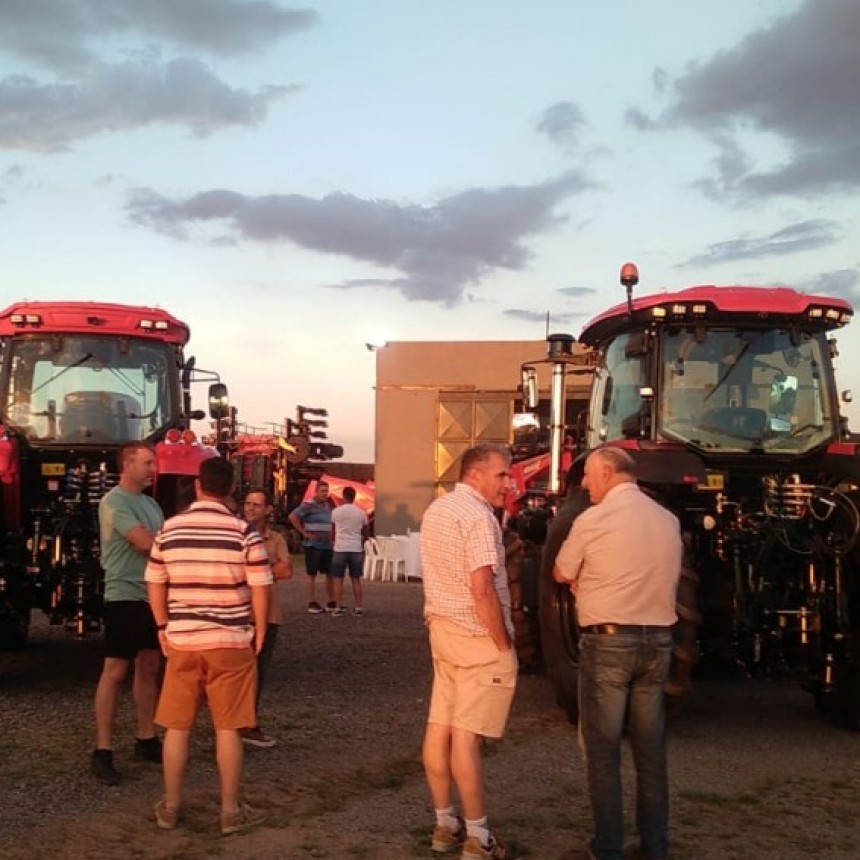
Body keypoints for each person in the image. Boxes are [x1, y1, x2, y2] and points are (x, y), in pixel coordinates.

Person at [553, 447, 682, 860]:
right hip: (658, 641)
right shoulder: (667, 519)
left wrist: (585, 580)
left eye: (589, 475)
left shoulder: (592, 519)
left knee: (603, 750)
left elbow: (561, 572)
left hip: (608, 642)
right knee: (650, 749)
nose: (585, 483)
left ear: (608, 473)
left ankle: (608, 846)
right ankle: (655, 845)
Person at [145, 457, 272, 836]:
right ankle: (231, 811)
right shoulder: (243, 531)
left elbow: (155, 581)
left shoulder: (169, 529)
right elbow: (261, 586)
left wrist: (162, 626)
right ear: (231, 489)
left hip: (183, 639)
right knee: (229, 728)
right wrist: (259, 630)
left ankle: (170, 806)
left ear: (198, 486)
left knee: (177, 728)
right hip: (231, 639)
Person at [420, 443, 517, 860]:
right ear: (475, 474)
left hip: (442, 630)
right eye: (502, 475)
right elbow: (482, 589)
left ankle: (444, 825)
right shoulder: (480, 518)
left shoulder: (436, 510)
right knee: (466, 737)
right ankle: (479, 837)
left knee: (439, 726)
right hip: (477, 637)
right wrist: (504, 644)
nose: (508, 483)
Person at [91, 441, 165, 785]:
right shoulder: (114, 501)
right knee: (116, 669)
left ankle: (146, 738)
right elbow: (144, 542)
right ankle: (102, 750)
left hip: (152, 594)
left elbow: (159, 541)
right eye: (148, 462)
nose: (153, 469)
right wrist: (157, 539)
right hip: (123, 594)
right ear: (128, 463)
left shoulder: (151, 504)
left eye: (154, 463)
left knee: (149, 666)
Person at [240, 488, 293, 748]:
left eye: (257, 505)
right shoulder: (234, 533)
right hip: (238, 613)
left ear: (268, 509)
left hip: (268, 614)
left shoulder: (276, 538)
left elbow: (286, 570)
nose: (251, 509)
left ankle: (249, 722)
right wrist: (267, 566)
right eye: (248, 504)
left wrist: (256, 567)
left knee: (258, 672)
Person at [289, 480, 335, 613]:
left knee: (330, 573)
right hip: (313, 545)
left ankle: (331, 601)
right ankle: (312, 601)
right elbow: (292, 516)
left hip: (327, 545)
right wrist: (304, 532)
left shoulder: (328, 505)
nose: (325, 494)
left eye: (326, 491)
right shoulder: (308, 505)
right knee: (311, 573)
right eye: (322, 491)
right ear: (316, 491)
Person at [330, 485, 369, 615]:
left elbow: (333, 530)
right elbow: (365, 530)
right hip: (355, 548)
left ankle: (338, 607)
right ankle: (358, 607)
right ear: (354, 497)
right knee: (356, 579)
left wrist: (333, 541)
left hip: (340, 547)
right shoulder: (361, 512)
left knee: (338, 579)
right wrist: (361, 540)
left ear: (343, 496)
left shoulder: (336, 512)